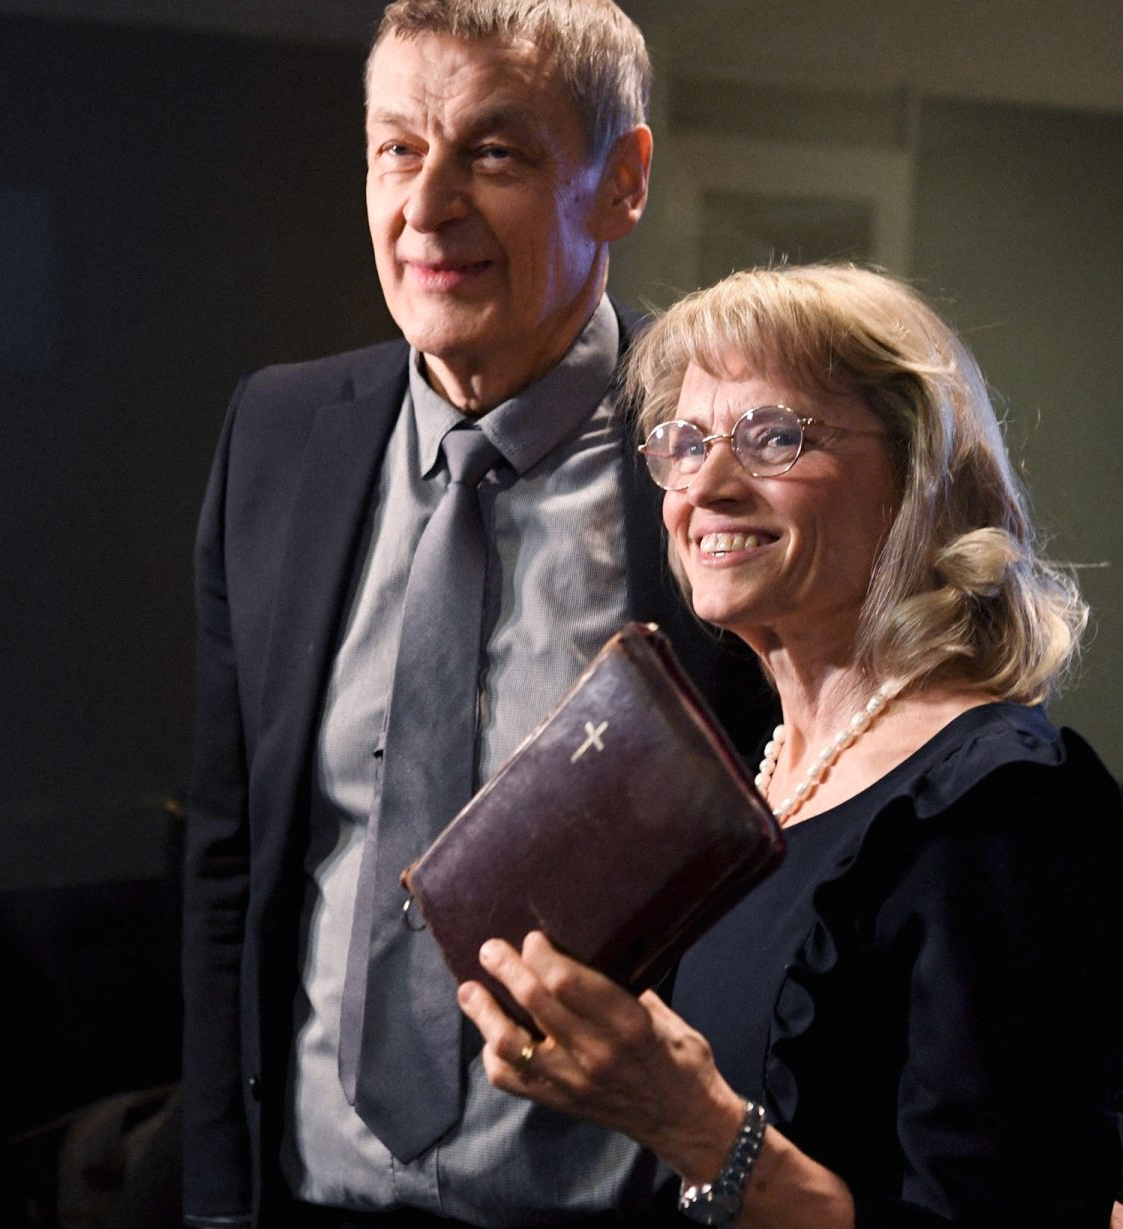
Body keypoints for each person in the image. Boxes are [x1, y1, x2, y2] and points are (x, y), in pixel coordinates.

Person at [182, 4, 771, 1226]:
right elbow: (228, 867)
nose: (428, 205)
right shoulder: (277, 437)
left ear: (622, 181)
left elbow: (935, 816)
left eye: (494, 153)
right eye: (398, 149)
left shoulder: (730, 471)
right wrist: (217, 1198)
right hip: (307, 1199)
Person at [457, 264, 1123, 1227]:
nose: (707, 487)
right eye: (684, 443)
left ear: (916, 473)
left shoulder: (999, 804)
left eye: (774, 437)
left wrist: (700, 1130)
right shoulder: (756, 776)